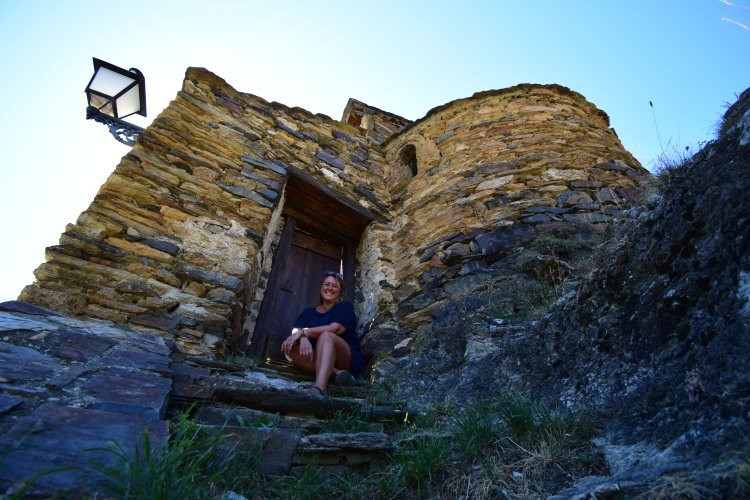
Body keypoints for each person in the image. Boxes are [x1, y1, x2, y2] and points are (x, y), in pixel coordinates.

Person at [281, 271, 363, 396]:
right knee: (289, 347)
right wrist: (303, 338)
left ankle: (319, 388)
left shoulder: (344, 306)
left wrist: (304, 332)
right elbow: (295, 332)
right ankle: (336, 374)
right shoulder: (307, 313)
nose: (330, 288)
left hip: (346, 358)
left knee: (326, 335)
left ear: (340, 292)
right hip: (319, 356)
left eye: (334, 286)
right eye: (327, 284)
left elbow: (335, 329)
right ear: (321, 288)